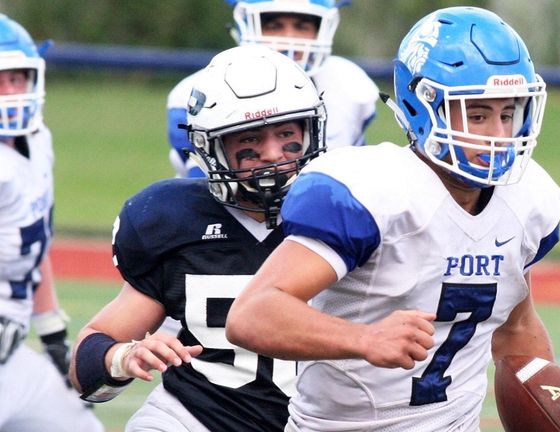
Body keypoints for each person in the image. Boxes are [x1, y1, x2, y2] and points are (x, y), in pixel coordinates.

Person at [226, 6, 560, 431]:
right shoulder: (371, 191)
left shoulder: (529, 198)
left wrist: (549, 403)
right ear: (422, 106)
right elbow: (252, 314)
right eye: (477, 114)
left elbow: (516, 327)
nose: (497, 134)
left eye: (508, 113)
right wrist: (364, 339)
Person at [68, 44, 326, 432]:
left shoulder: (355, 209)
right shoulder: (174, 220)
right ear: (212, 147)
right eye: (250, 139)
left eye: (287, 133)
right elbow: (87, 361)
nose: (273, 153)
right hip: (198, 417)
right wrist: (124, 356)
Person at [0, 14, 103, 432]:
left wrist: (54, 338)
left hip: (12, 360)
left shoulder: (38, 140)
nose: (10, 93)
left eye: (18, 78)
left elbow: (35, 243)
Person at [167, 0, 378, 179]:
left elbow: (354, 180)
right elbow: (205, 191)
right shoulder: (197, 94)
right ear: (245, 25)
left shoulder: (350, 86)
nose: (289, 39)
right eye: (275, 26)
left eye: (302, 26)